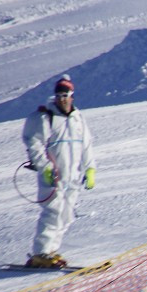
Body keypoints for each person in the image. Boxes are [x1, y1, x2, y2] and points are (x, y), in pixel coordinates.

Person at [21, 74, 96, 268]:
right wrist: (44, 166)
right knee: (53, 211)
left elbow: (86, 144)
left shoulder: (77, 118)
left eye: (66, 94)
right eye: (59, 95)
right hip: (53, 175)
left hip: (72, 176)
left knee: (67, 214)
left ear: (72, 95)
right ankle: (41, 252)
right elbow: (34, 142)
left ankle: (51, 250)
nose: (62, 98)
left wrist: (90, 168)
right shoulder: (46, 117)